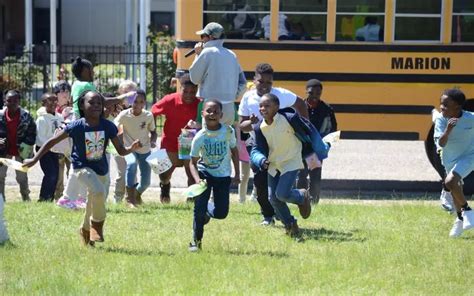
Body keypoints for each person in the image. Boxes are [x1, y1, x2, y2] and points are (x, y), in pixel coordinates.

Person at [23, 90, 141, 246]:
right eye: (91, 102)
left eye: (99, 102)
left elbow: (121, 150)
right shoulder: (76, 126)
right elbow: (51, 142)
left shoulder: (108, 126)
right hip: (81, 168)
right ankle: (97, 226)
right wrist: (34, 158)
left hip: (101, 171)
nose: (96, 105)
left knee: (95, 201)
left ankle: (85, 230)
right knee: (98, 192)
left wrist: (131, 148)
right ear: (82, 106)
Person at [238, 63, 308, 226]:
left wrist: (304, 128)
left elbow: (301, 104)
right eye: (261, 81)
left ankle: (287, 208)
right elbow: (242, 125)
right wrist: (251, 122)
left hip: (280, 145)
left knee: (279, 185)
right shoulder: (248, 97)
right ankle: (267, 215)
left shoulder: (281, 95)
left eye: (269, 82)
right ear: (254, 80)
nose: (265, 86)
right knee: (260, 182)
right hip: (257, 144)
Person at [250, 93, 312, 238]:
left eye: (267, 105)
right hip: (274, 164)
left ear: (277, 107)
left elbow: (306, 132)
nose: (263, 108)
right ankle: (290, 225)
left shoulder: (288, 119)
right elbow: (256, 149)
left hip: (291, 160)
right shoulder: (260, 127)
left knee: (282, 194)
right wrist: (260, 160)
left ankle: (301, 196)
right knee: (274, 199)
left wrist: (312, 149)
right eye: (261, 106)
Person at [188, 100, 240, 252]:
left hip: (223, 177)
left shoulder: (228, 131)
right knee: (198, 209)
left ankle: (207, 212)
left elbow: (235, 151)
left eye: (216, 112)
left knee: (221, 213)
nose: (212, 114)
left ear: (221, 115)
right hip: (204, 175)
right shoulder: (200, 136)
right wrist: (198, 180)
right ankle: (196, 243)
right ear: (202, 114)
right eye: (209, 111)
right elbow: (192, 162)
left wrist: (237, 173)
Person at [151, 74, 200, 203]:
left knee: (191, 172)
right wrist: (153, 131)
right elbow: (152, 111)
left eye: (193, 92)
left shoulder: (200, 103)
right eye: (186, 91)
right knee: (163, 173)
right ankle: (165, 186)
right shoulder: (169, 100)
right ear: (180, 88)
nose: (189, 95)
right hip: (169, 141)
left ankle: (192, 199)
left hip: (189, 139)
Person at [434, 88, 474, 238]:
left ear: (457, 107)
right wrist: (449, 129)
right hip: (449, 158)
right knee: (456, 187)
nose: (441, 107)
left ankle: (467, 210)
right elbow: (442, 143)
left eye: (445, 105)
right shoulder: (441, 119)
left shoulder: (471, 118)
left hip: (470, 156)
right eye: (441, 104)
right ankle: (460, 219)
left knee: (450, 180)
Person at [189, 22, 247, 126]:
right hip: (229, 106)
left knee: (210, 140)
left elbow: (194, 78)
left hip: (210, 107)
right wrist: (232, 97)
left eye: (203, 36)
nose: (201, 39)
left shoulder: (206, 53)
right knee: (226, 140)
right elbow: (243, 82)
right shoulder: (231, 54)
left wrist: (197, 55)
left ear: (210, 37)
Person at [296, 79, 337, 204]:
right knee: (301, 174)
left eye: (318, 94)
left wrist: (327, 145)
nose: (314, 97)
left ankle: (314, 201)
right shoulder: (298, 107)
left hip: (317, 147)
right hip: (301, 146)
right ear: (305, 91)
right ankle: (300, 200)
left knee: (315, 174)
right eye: (311, 93)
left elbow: (333, 130)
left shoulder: (327, 109)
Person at [115, 89, 157, 207]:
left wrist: (153, 141)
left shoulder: (148, 115)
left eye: (141, 102)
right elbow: (114, 126)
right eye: (135, 101)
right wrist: (119, 140)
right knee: (132, 164)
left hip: (145, 150)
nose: (138, 105)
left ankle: (137, 194)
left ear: (144, 103)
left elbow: (153, 132)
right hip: (130, 149)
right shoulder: (124, 115)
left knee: (146, 183)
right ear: (130, 102)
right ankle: (129, 199)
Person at [0, 90, 36, 202]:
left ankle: (25, 197)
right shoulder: (0, 116)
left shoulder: (26, 116)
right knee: (0, 176)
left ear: (19, 101)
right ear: (4, 101)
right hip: (3, 151)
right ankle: (1, 199)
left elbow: (33, 132)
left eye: (15, 100)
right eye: (9, 100)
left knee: (22, 177)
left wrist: (26, 144)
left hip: (21, 151)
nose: (12, 103)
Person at [112, 80, 138, 204]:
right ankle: (118, 198)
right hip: (119, 146)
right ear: (120, 93)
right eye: (126, 92)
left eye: (132, 92)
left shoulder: (138, 108)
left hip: (134, 145)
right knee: (122, 172)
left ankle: (133, 199)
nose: (130, 95)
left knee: (133, 171)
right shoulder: (115, 108)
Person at [35, 93, 62, 202]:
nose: (53, 103)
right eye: (50, 101)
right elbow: (41, 139)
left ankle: (49, 198)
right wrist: (51, 147)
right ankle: (44, 197)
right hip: (44, 150)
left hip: (55, 150)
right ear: (43, 103)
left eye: (55, 101)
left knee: (56, 174)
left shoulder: (59, 117)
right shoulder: (41, 119)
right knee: (50, 174)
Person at [52, 80, 73, 200]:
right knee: (59, 176)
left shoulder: (73, 109)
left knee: (72, 172)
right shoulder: (52, 109)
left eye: (67, 91)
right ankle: (58, 197)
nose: (65, 93)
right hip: (58, 147)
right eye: (61, 91)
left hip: (71, 146)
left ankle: (70, 197)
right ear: (56, 94)